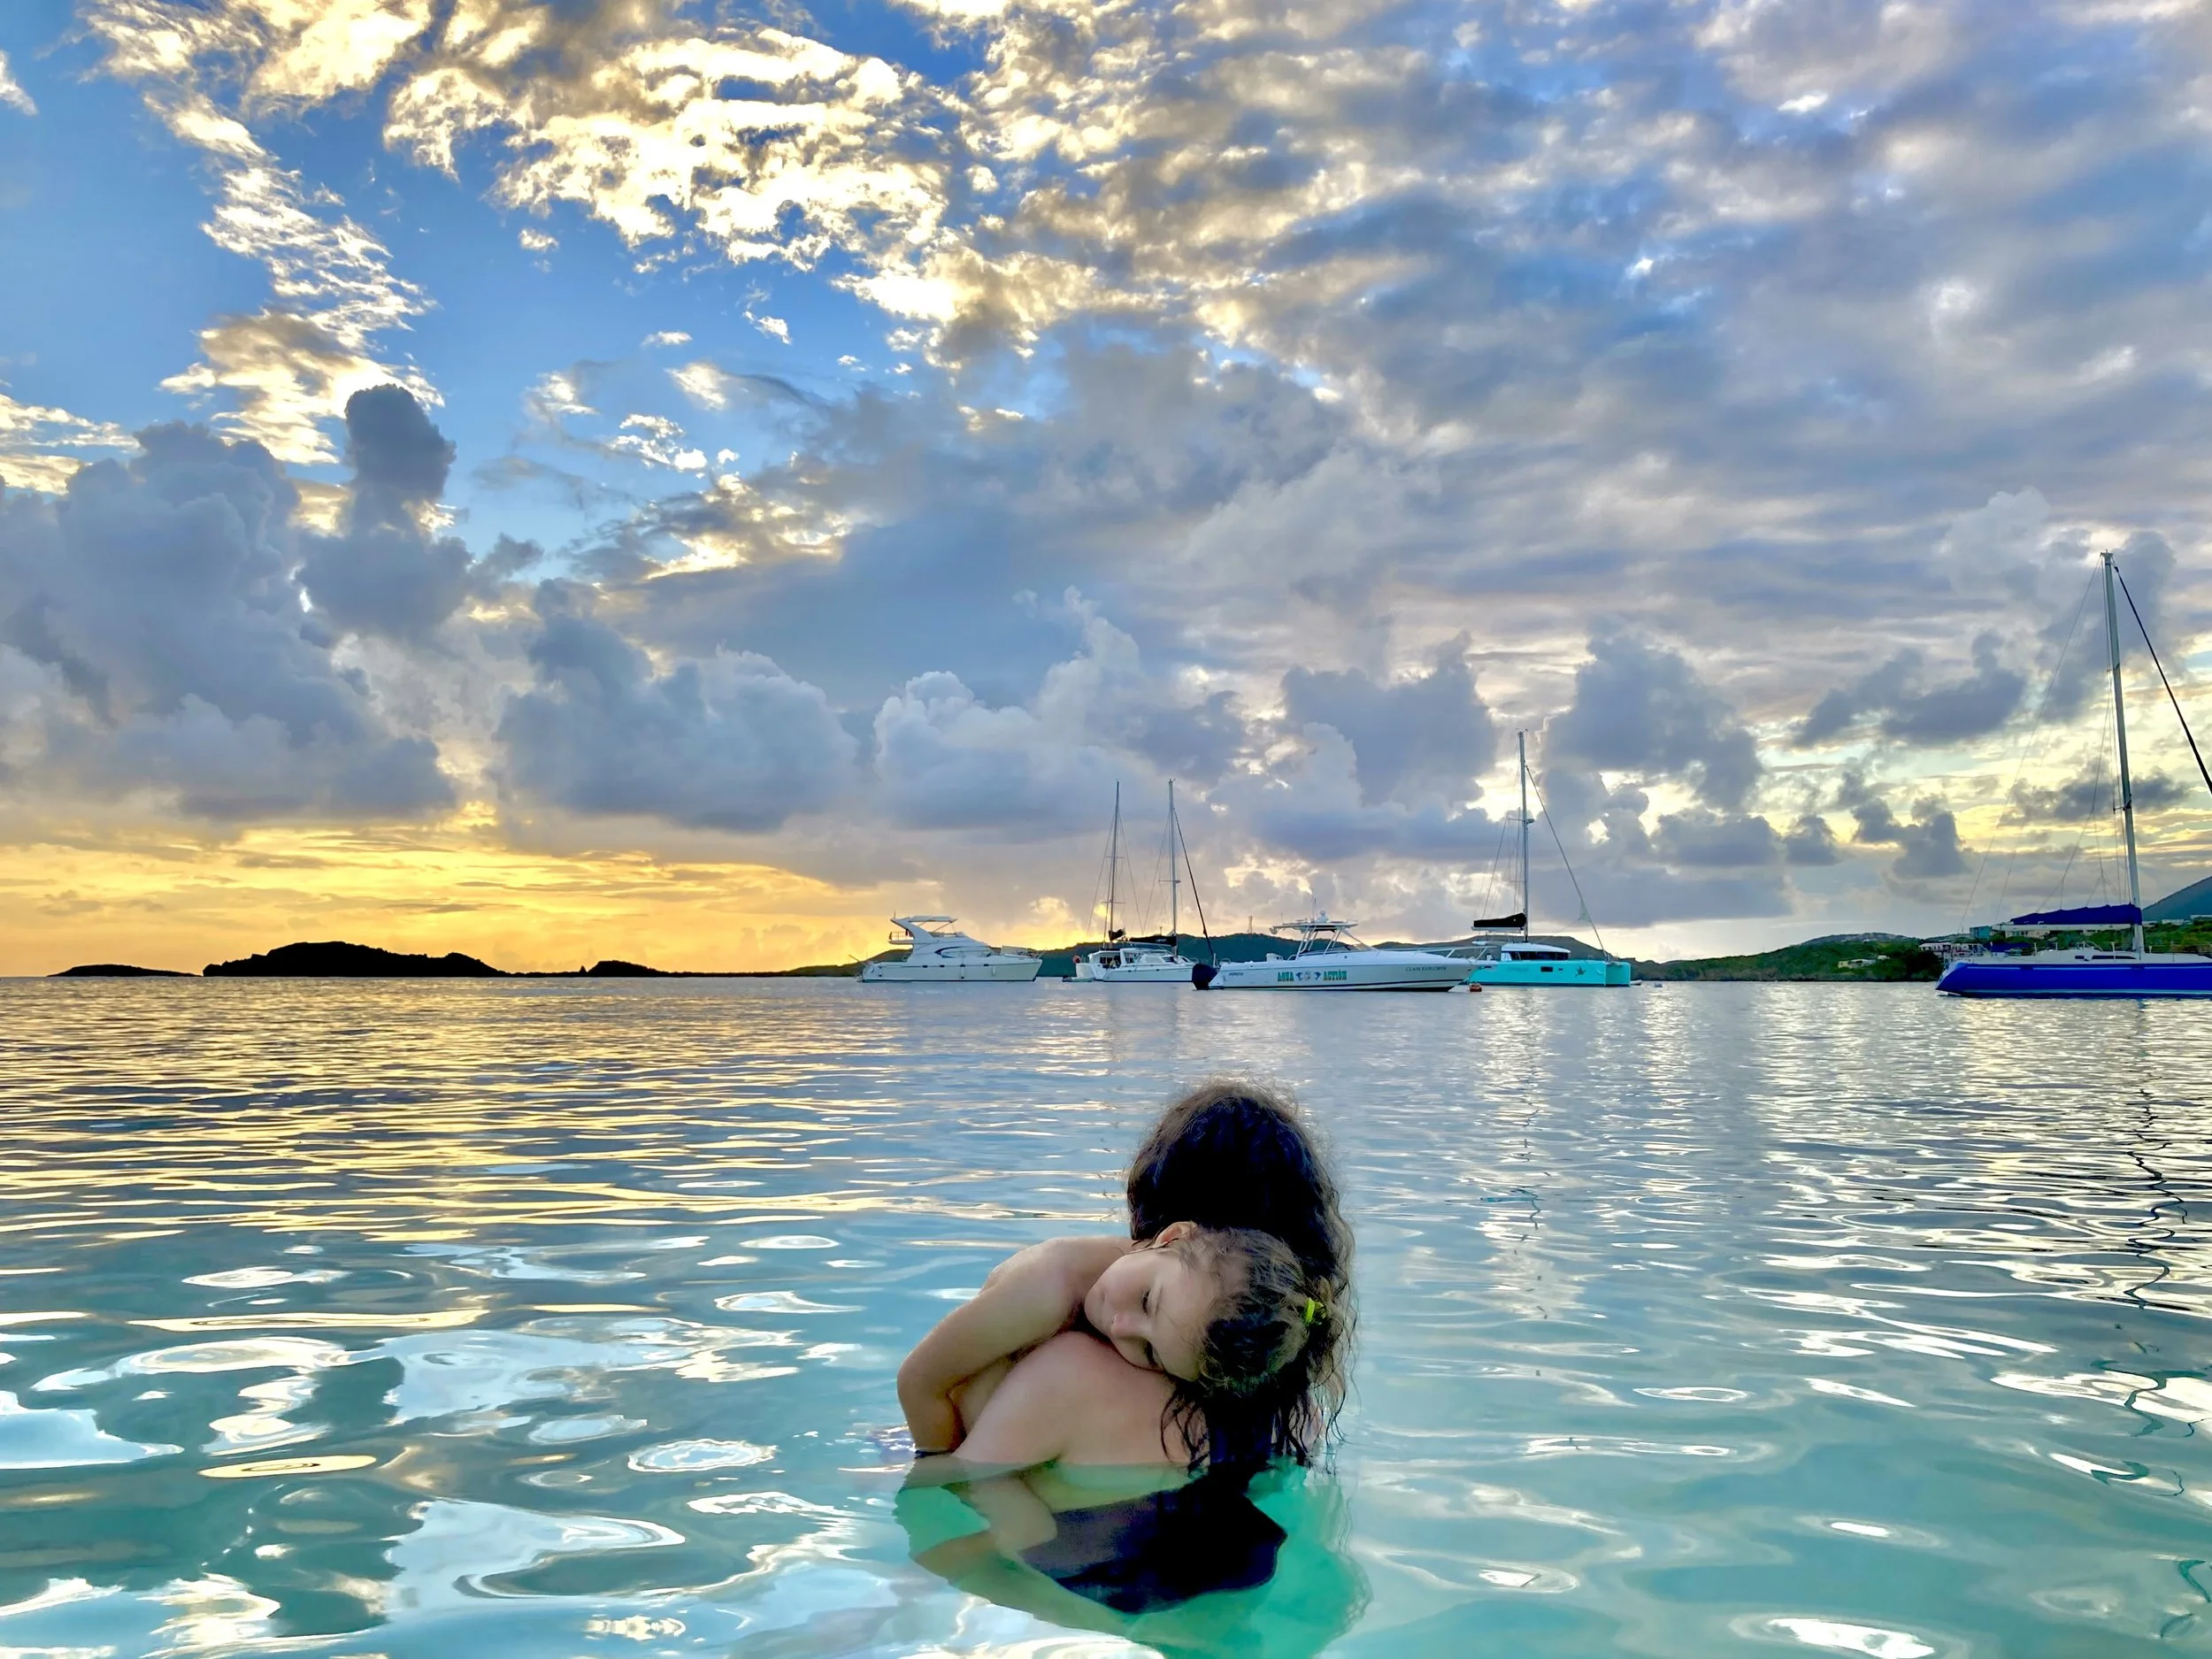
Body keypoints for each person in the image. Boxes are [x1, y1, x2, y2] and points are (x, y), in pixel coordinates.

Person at [898, 1079, 1353, 1471]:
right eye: (1146, 1302)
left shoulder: (1203, 1299)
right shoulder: (1049, 1286)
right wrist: (937, 1460)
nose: (1122, 1327)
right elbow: (919, 1383)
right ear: (1175, 1236)